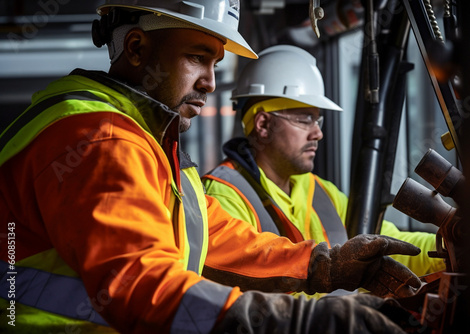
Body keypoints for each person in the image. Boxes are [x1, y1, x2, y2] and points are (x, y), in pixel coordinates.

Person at [0, 2, 422, 333]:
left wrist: (320, 266)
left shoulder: (144, 136)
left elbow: (208, 237)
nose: (211, 82)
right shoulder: (102, 139)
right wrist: (294, 322)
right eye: (198, 57)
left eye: (215, 63)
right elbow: (141, 287)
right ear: (135, 48)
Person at [202, 44, 446, 279]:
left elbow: (385, 242)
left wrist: (449, 244)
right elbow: (248, 287)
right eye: (305, 119)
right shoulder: (224, 196)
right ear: (263, 124)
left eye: (317, 122)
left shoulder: (321, 192)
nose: (317, 134)